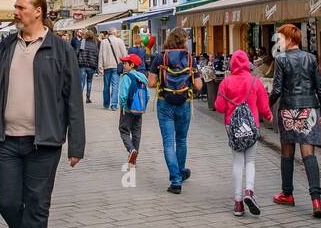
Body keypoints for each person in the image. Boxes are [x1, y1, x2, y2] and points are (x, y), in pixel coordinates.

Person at [0, 0, 84, 228]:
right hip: (8, 139)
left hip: (44, 141)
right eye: (15, 6)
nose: (15, 11)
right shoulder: (6, 46)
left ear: (38, 12)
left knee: (37, 205)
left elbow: (73, 97)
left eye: (21, 7)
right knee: (6, 201)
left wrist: (76, 144)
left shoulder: (59, 49)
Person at [269, 24, 321, 217]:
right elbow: (320, 88)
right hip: (309, 109)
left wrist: (264, 106)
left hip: (288, 108)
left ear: (288, 39)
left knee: (287, 152)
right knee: (308, 153)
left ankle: (287, 194)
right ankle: (316, 200)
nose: (278, 42)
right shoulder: (311, 58)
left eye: (280, 38)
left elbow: (277, 89)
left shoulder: (281, 59)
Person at [214, 50, 272, 218]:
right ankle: (249, 191)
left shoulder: (225, 82)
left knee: (237, 162)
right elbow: (263, 106)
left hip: (232, 127)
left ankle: (238, 203)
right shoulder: (256, 81)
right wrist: (268, 116)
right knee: (251, 161)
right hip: (252, 125)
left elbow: (219, 107)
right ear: (247, 64)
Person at [147, 29, 202, 194]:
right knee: (182, 140)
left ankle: (176, 180)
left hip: (165, 103)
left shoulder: (160, 57)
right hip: (184, 103)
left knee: (168, 143)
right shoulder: (190, 59)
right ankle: (180, 172)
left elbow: (150, 83)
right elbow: (199, 85)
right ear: (184, 41)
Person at [116, 52, 149, 169]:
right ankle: (133, 160)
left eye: (126, 63)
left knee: (123, 130)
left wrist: (123, 107)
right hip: (139, 109)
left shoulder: (126, 77)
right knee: (136, 133)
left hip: (128, 109)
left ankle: (131, 150)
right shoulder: (143, 77)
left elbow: (123, 95)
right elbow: (148, 95)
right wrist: (142, 107)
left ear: (132, 65)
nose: (123, 65)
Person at [98, 30, 127, 110]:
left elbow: (100, 55)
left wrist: (100, 67)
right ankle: (114, 104)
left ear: (109, 34)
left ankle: (106, 104)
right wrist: (125, 66)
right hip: (116, 66)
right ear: (115, 33)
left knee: (106, 86)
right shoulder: (120, 41)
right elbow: (125, 54)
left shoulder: (103, 42)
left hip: (106, 66)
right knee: (115, 85)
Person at [76, 29, 99, 104]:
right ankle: (88, 97)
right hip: (91, 65)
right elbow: (96, 56)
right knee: (89, 81)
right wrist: (97, 67)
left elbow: (78, 52)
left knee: (81, 81)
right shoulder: (94, 44)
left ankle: (79, 97)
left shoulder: (83, 42)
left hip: (82, 64)